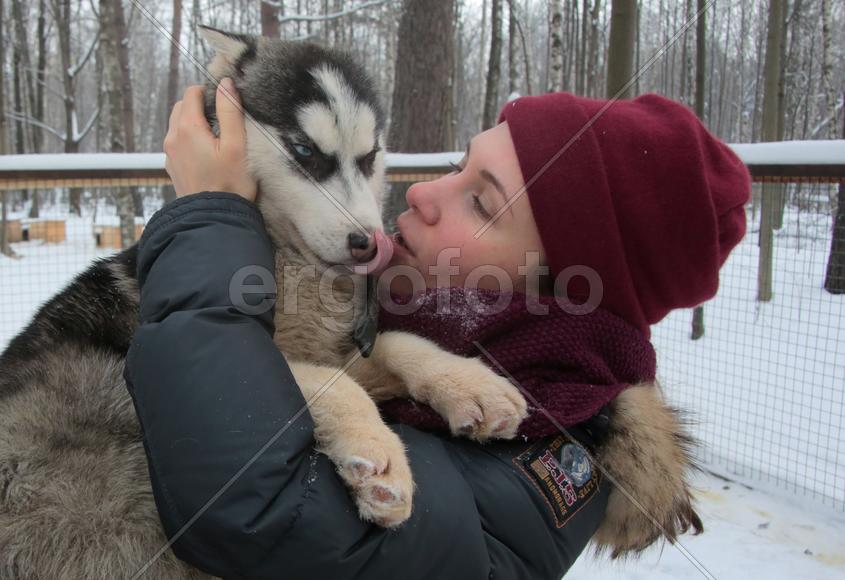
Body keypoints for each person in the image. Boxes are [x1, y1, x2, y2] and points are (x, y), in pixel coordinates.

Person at [124, 79, 749, 579]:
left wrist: (207, 220)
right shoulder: (397, 315)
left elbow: (254, 506)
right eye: (457, 164)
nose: (422, 191)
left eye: (480, 201)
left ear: (558, 287)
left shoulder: (547, 459)